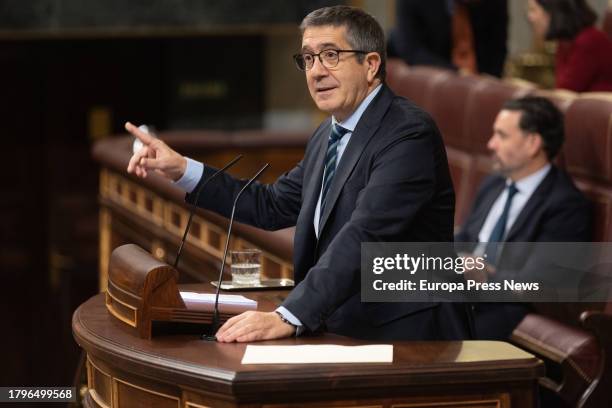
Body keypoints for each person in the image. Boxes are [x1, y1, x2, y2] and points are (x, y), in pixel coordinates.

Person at [126, 5, 471, 343]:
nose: (316, 71)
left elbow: (367, 236)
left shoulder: (408, 133)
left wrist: (288, 316)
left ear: (371, 65)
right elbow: (271, 205)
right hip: (342, 325)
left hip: (408, 338)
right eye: (308, 59)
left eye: (330, 55)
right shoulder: (328, 134)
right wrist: (182, 169)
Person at [455, 96, 591, 340]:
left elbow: (540, 285)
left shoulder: (566, 205)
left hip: (500, 311)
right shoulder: (494, 183)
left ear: (532, 143)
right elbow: (465, 237)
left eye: (502, 136)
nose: (490, 144)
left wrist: (485, 275)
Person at [387, 0, 508, 77]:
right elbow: (411, 50)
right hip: (433, 76)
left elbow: (497, 52)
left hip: (479, 84)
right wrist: (458, 73)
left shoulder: (495, 3)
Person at [527, 0, 612, 92]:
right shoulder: (565, 43)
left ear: (552, 11)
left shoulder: (589, 40)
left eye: (533, 10)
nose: (530, 17)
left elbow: (566, 92)